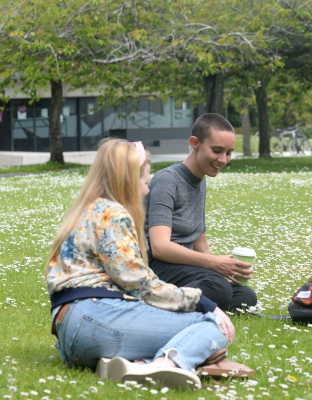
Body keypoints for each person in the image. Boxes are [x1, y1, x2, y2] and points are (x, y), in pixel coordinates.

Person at [46, 140, 235, 389]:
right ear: (128, 180)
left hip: (68, 330)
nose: (146, 191)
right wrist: (203, 304)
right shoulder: (114, 214)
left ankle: (130, 364)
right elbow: (138, 282)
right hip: (94, 319)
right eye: (145, 182)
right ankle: (162, 366)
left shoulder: (86, 210)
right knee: (213, 328)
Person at [144, 114, 258, 311]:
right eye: (217, 151)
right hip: (156, 266)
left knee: (245, 295)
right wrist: (214, 264)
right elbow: (159, 247)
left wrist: (227, 268)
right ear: (195, 143)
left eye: (229, 153)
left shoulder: (200, 181)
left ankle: (197, 301)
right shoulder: (167, 181)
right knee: (219, 289)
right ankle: (153, 303)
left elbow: (201, 244)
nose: (223, 160)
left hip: (183, 268)